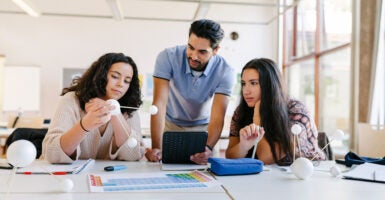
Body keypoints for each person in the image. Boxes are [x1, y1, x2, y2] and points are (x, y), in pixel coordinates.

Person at [145, 19, 235, 164]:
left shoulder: (225, 72)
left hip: (204, 129)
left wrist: (208, 147)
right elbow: (159, 105)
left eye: (202, 52)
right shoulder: (167, 57)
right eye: (190, 47)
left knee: (208, 176)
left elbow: (218, 117)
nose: (193, 56)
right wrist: (156, 147)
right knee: (165, 171)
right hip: (171, 126)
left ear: (216, 50)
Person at [42, 53, 144, 163]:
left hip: (106, 176)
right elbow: (52, 153)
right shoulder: (70, 100)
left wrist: (115, 112)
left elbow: (135, 155)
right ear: (100, 74)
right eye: (115, 76)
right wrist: (85, 125)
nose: (121, 84)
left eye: (127, 81)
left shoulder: (129, 109)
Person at [225, 58, 325, 165]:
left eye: (253, 83)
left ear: (270, 85)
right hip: (269, 176)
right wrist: (243, 146)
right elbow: (230, 156)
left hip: (310, 173)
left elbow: (267, 158)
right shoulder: (241, 111)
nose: (246, 90)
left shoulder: (296, 112)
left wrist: (258, 118)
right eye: (244, 83)